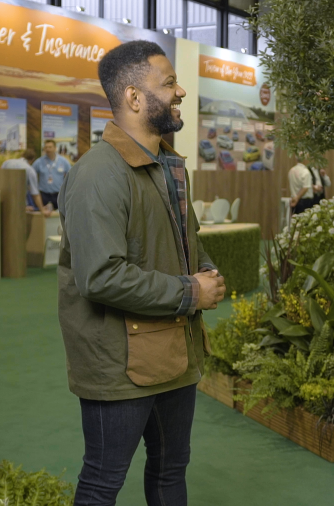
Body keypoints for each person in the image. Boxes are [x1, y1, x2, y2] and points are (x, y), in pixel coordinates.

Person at [57, 40, 226, 506]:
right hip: (118, 365)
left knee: (171, 471)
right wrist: (191, 292)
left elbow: (182, 237)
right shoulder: (98, 174)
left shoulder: (167, 165)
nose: (181, 92)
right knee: (102, 482)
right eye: (169, 83)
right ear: (134, 98)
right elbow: (101, 277)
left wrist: (203, 267)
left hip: (174, 354)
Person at [1, 149, 50, 217]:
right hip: (19, 203)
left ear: (22, 155)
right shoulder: (30, 170)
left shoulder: (7, 162)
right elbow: (35, 194)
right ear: (32, 159)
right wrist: (42, 210)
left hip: (4, 201)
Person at [33, 139, 72, 210]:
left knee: (60, 217)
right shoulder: (39, 162)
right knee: (44, 217)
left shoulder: (63, 161)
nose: (48, 149)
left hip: (59, 194)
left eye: (50, 147)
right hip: (44, 194)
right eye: (46, 147)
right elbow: (31, 174)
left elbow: (71, 175)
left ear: (55, 148)